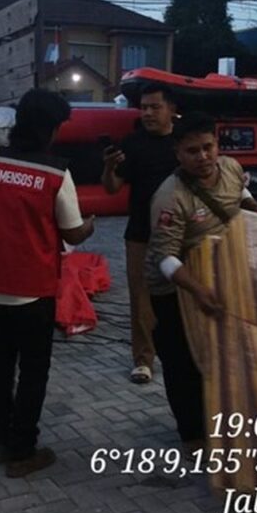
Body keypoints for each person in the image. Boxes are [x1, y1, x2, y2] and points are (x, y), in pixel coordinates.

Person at [0, 89, 95, 477]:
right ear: (52, 129)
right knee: (34, 369)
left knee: (1, 358)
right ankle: (22, 451)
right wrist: (89, 225)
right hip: (31, 288)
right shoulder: (55, 172)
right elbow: (72, 232)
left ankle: (1, 432)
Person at [145, 113, 257, 450]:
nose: (202, 157)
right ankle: (192, 436)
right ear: (177, 153)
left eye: (207, 147)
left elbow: (241, 194)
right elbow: (164, 258)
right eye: (192, 151)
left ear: (217, 145)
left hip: (220, 274)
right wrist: (198, 291)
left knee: (223, 355)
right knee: (182, 360)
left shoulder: (230, 167)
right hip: (175, 285)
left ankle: (224, 423)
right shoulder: (170, 196)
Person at [101, 83, 180, 385]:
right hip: (140, 234)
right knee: (140, 298)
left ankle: (184, 352)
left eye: (154, 107)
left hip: (181, 235)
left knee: (183, 294)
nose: (147, 113)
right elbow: (112, 188)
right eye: (143, 107)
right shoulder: (132, 143)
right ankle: (143, 360)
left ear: (171, 109)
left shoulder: (183, 141)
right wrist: (109, 168)